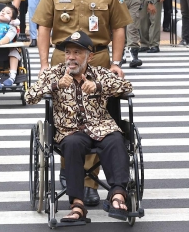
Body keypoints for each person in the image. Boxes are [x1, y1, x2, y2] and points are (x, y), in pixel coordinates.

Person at [32, 0, 132, 207]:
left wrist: (117, 63)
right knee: (68, 120)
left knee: (100, 120)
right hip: (64, 60)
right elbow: (43, 27)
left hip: (98, 59)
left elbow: (119, 26)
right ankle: (73, 171)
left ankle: (90, 182)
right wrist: (43, 66)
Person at [25, 31, 133, 222]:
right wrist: (55, 86)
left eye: (77, 52)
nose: (71, 57)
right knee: (72, 145)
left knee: (116, 139)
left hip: (101, 127)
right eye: (68, 52)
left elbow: (126, 87)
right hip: (71, 130)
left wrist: (98, 87)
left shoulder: (99, 73)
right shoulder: (54, 74)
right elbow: (29, 97)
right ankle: (77, 205)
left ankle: (117, 195)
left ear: (89, 56)